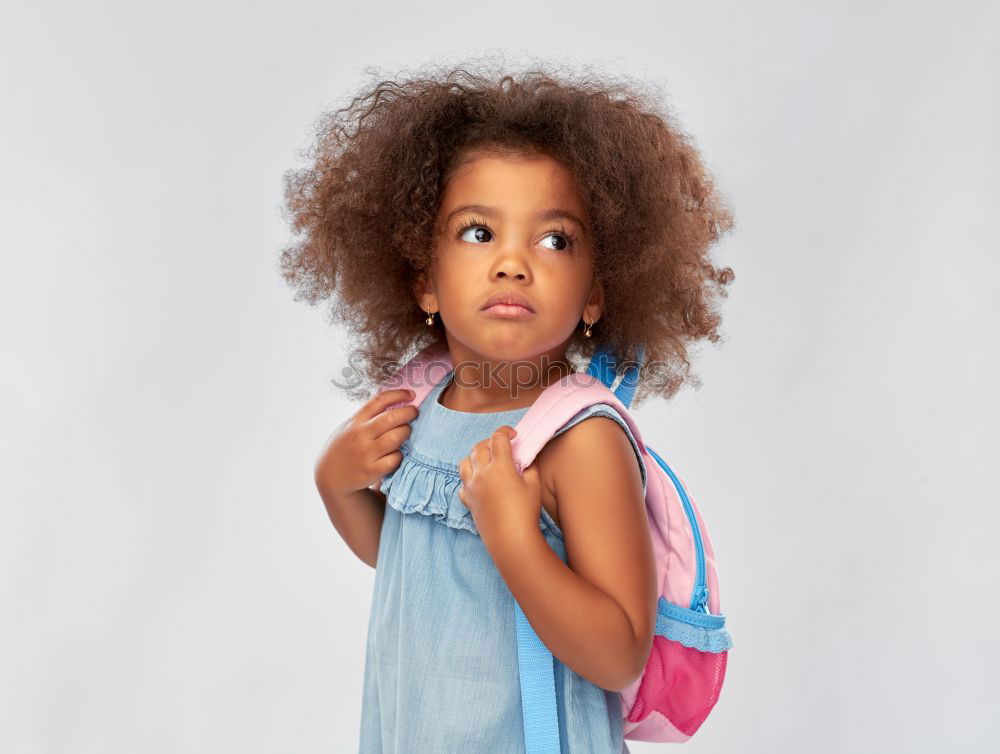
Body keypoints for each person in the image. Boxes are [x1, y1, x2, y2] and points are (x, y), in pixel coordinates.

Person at [279, 61, 735, 753]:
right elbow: (420, 573)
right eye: (477, 232)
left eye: (554, 240)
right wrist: (337, 486)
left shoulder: (579, 440)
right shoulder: (420, 403)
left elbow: (619, 654)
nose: (512, 263)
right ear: (423, 280)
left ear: (596, 295)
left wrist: (516, 539)